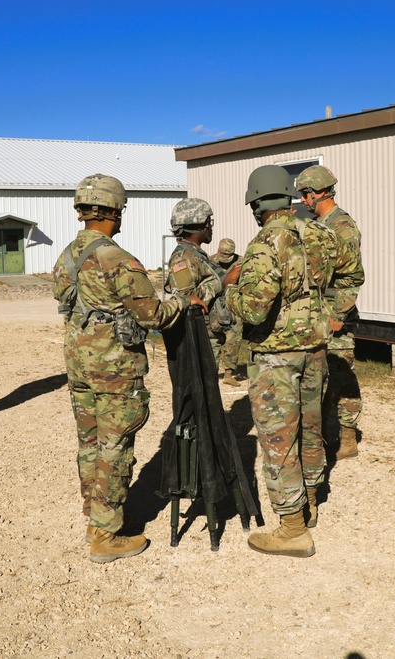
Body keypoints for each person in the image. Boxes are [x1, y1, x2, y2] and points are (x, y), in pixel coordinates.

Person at [52, 173, 204, 564]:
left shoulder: (67, 255)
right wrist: (184, 303)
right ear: (112, 211)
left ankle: (94, 515)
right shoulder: (115, 257)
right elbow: (152, 314)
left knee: (90, 442)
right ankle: (106, 534)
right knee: (115, 445)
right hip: (114, 367)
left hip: (79, 362)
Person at [224, 164, 364, 557]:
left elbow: (253, 311)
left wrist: (229, 287)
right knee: (311, 427)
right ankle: (311, 502)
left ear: (256, 204)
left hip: (276, 358)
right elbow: (352, 276)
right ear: (288, 196)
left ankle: (292, 529)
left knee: (279, 439)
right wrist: (331, 314)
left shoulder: (265, 243)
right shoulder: (323, 234)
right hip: (315, 351)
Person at [295, 165, 364, 460]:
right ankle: (321, 437)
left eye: (305, 194)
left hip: (336, 316)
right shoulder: (320, 223)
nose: (302, 200)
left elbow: (353, 277)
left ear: (319, 192)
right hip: (318, 313)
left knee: (340, 377)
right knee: (321, 378)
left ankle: (346, 440)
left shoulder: (342, 226)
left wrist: (338, 314)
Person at [165, 198, 232, 366]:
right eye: (209, 222)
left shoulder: (196, 255)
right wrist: (222, 283)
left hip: (211, 332)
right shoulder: (183, 258)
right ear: (199, 225)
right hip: (200, 335)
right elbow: (187, 299)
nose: (211, 227)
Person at [211, 238, 244, 386]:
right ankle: (211, 372)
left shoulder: (241, 263)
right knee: (213, 339)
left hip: (233, 305)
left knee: (233, 340)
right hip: (215, 307)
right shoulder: (210, 262)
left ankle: (229, 373)